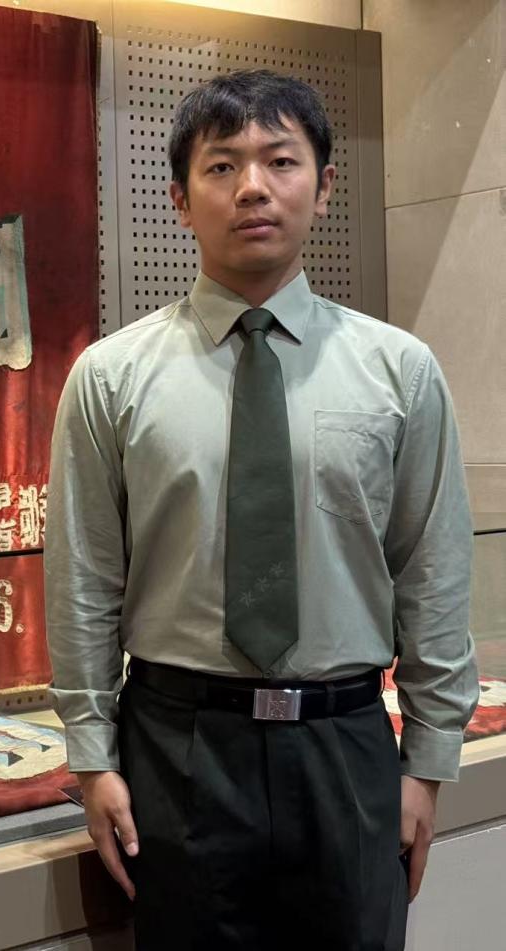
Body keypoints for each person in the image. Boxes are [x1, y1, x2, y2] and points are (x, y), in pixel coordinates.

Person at [45, 69, 479, 951]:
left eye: (280, 160)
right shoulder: (110, 378)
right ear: (179, 200)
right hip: (177, 747)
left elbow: (432, 572)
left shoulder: (398, 371)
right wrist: (91, 756)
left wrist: (428, 762)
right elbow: (84, 578)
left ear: (323, 186)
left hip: (346, 747)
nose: (251, 187)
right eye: (220, 166)